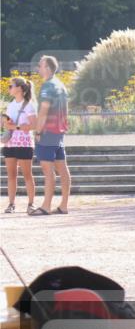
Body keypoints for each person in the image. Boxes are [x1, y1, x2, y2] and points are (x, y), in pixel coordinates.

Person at [30, 55, 71, 216]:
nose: (38, 68)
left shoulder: (47, 86)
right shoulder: (60, 85)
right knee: (62, 169)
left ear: (47, 68)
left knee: (48, 171)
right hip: (59, 133)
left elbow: (43, 111)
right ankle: (64, 205)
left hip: (47, 133)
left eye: (40, 65)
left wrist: (38, 131)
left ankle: (46, 206)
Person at [3, 77, 37, 214]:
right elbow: (7, 123)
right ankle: (11, 204)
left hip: (24, 143)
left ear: (19, 88)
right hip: (10, 143)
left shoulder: (28, 105)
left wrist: (15, 127)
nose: (9, 88)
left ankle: (31, 204)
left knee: (27, 175)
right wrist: (5, 123)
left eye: (11, 86)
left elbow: (34, 125)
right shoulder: (11, 105)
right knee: (11, 175)